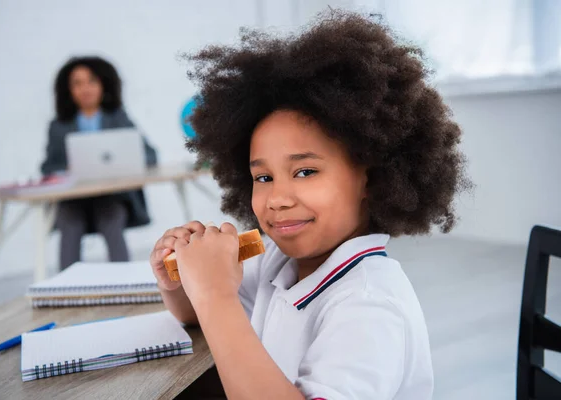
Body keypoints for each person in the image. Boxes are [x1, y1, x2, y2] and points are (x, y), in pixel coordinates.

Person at [151, 10, 471, 400]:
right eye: (263, 178)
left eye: (304, 172)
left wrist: (215, 296)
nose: (279, 199)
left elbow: (217, 310)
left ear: (370, 177)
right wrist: (182, 285)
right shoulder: (276, 261)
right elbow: (195, 317)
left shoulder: (369, 306)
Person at [41, 56, 157, 270]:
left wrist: (128, 160)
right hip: (73, 200)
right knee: (69, 224)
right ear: (69, 90)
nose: (85, 88)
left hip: (111, 197)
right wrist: (65, 169)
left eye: (91, 81)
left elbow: (151, 155)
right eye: (77, 83)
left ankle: (124, 283)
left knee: (112, 219)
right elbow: (47, 167)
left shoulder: (118, 118)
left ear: (103, 84)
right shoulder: (58, 126)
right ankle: (68, 289)